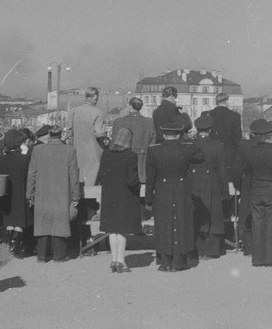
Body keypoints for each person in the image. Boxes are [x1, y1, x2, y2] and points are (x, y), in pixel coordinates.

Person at [145, 123, 204, 271]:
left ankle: (165, 261)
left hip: (162, 189)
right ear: (178, 135)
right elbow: (201, 157)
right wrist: (189, 140)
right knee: (181, 222)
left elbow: (150, 177)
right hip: (181, 188)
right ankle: (179, 261)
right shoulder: (186, 148)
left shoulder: (154, 150)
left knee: (164, 224)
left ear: (164, 134)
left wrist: (148, 199)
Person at [26, 126, 80, 263]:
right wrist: (76, 196)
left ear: (49, 135)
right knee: (60, 221)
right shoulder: (70, 150)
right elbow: (74, 175)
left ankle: (42, 255)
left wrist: (30, 193)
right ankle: (59, 255)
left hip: (42, 191)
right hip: (62, 191)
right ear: (61, 135)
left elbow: (32, 173)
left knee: (42, 221)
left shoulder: (38, 150)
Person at [241, 119, 272, 266]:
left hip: (256, 192)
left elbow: (246, 170)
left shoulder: (251, 153)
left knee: (257, 224)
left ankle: (257, 258)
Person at [96, 127, 140, 273]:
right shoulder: (131, 156)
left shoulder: (106, 154)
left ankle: (114, 261)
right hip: (124, 195)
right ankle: (121, 261)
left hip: (109, 195)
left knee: (112, 229)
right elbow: (132, 180)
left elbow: (101, 175)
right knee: (121, 229)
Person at [188, 115, 227, 260]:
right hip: (212, 181)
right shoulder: (218, 146)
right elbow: (222, 171)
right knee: (213, 215)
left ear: (197, 129)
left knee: (195, 214)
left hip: (193, 181)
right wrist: (225, 192)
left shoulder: (190, 144)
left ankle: (195, 249)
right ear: (210, 129)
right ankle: (210, 250)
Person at [0, 129, 32, 258]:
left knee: (9, 220)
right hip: (20, 191)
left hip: (6, 192)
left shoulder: (1, 159)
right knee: (19, 220)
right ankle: (15, 244)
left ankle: (11, 243)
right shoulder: (25, 159)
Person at [65, 87, 105, 186]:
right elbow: (99, 133)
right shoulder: (98, 112)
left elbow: (69, 132)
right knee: (92, 179)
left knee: (78, 177)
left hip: (77, 150)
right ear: (95, 97)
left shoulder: (74, 111)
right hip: (93, 150)